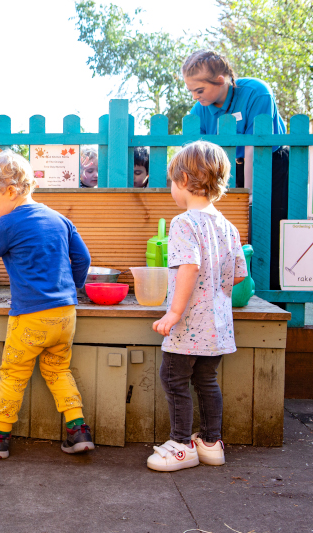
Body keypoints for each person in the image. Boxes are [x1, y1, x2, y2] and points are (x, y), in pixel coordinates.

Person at [0, 150, 93, 458]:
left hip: (30, 317)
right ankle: (78, 430)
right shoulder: (59, 219)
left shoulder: (7, 224)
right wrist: (71, 287)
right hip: (65, 315)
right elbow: (83, 258)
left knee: (14, 374)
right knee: (58, 370)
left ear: (9, 191)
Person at [147, 141, 247, 472]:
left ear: (184, 180)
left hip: (189, 324)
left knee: (174, 378)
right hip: (217, 326)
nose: (171, 190)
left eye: (171, 182)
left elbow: (188, 267)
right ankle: (210, 443)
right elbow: (238, 276)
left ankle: (180, 445)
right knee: (206, 382)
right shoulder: (228, 227)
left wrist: (174, 312)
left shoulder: (184, 222)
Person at [182, 49, 288, 290]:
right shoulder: (200, 109)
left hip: (269, 164)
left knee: (269, 227)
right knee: (231, 227)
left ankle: (271, 291)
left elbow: (253, 147)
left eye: (200, 90)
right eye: (191, 91)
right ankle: (229, 290)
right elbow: (197, 153)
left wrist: (249, 191)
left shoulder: (257, 92)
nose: (195, 97)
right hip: (227, 170)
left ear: (220, 81)